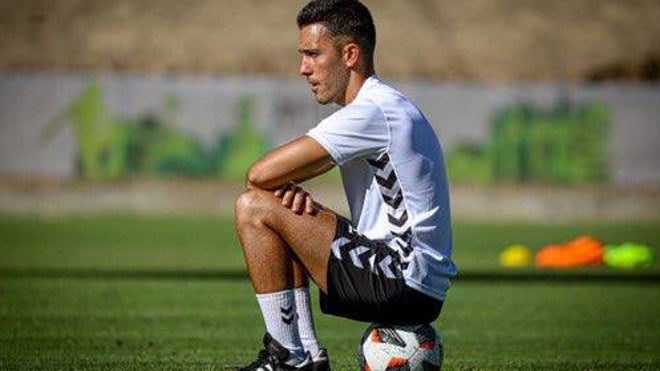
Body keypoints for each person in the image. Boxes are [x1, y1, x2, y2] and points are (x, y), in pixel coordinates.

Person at [235, 0, 456, 369]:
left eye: (313, 54)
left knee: (254, 205)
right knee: (274, 205)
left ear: (350, 54)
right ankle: (302, 356)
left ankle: (291, 357)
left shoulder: (371, 111)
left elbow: (259, 174)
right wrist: (289, 198)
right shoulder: (387, 104)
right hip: (416, 280)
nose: (303, 68)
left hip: (401, 279)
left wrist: (282, 192)